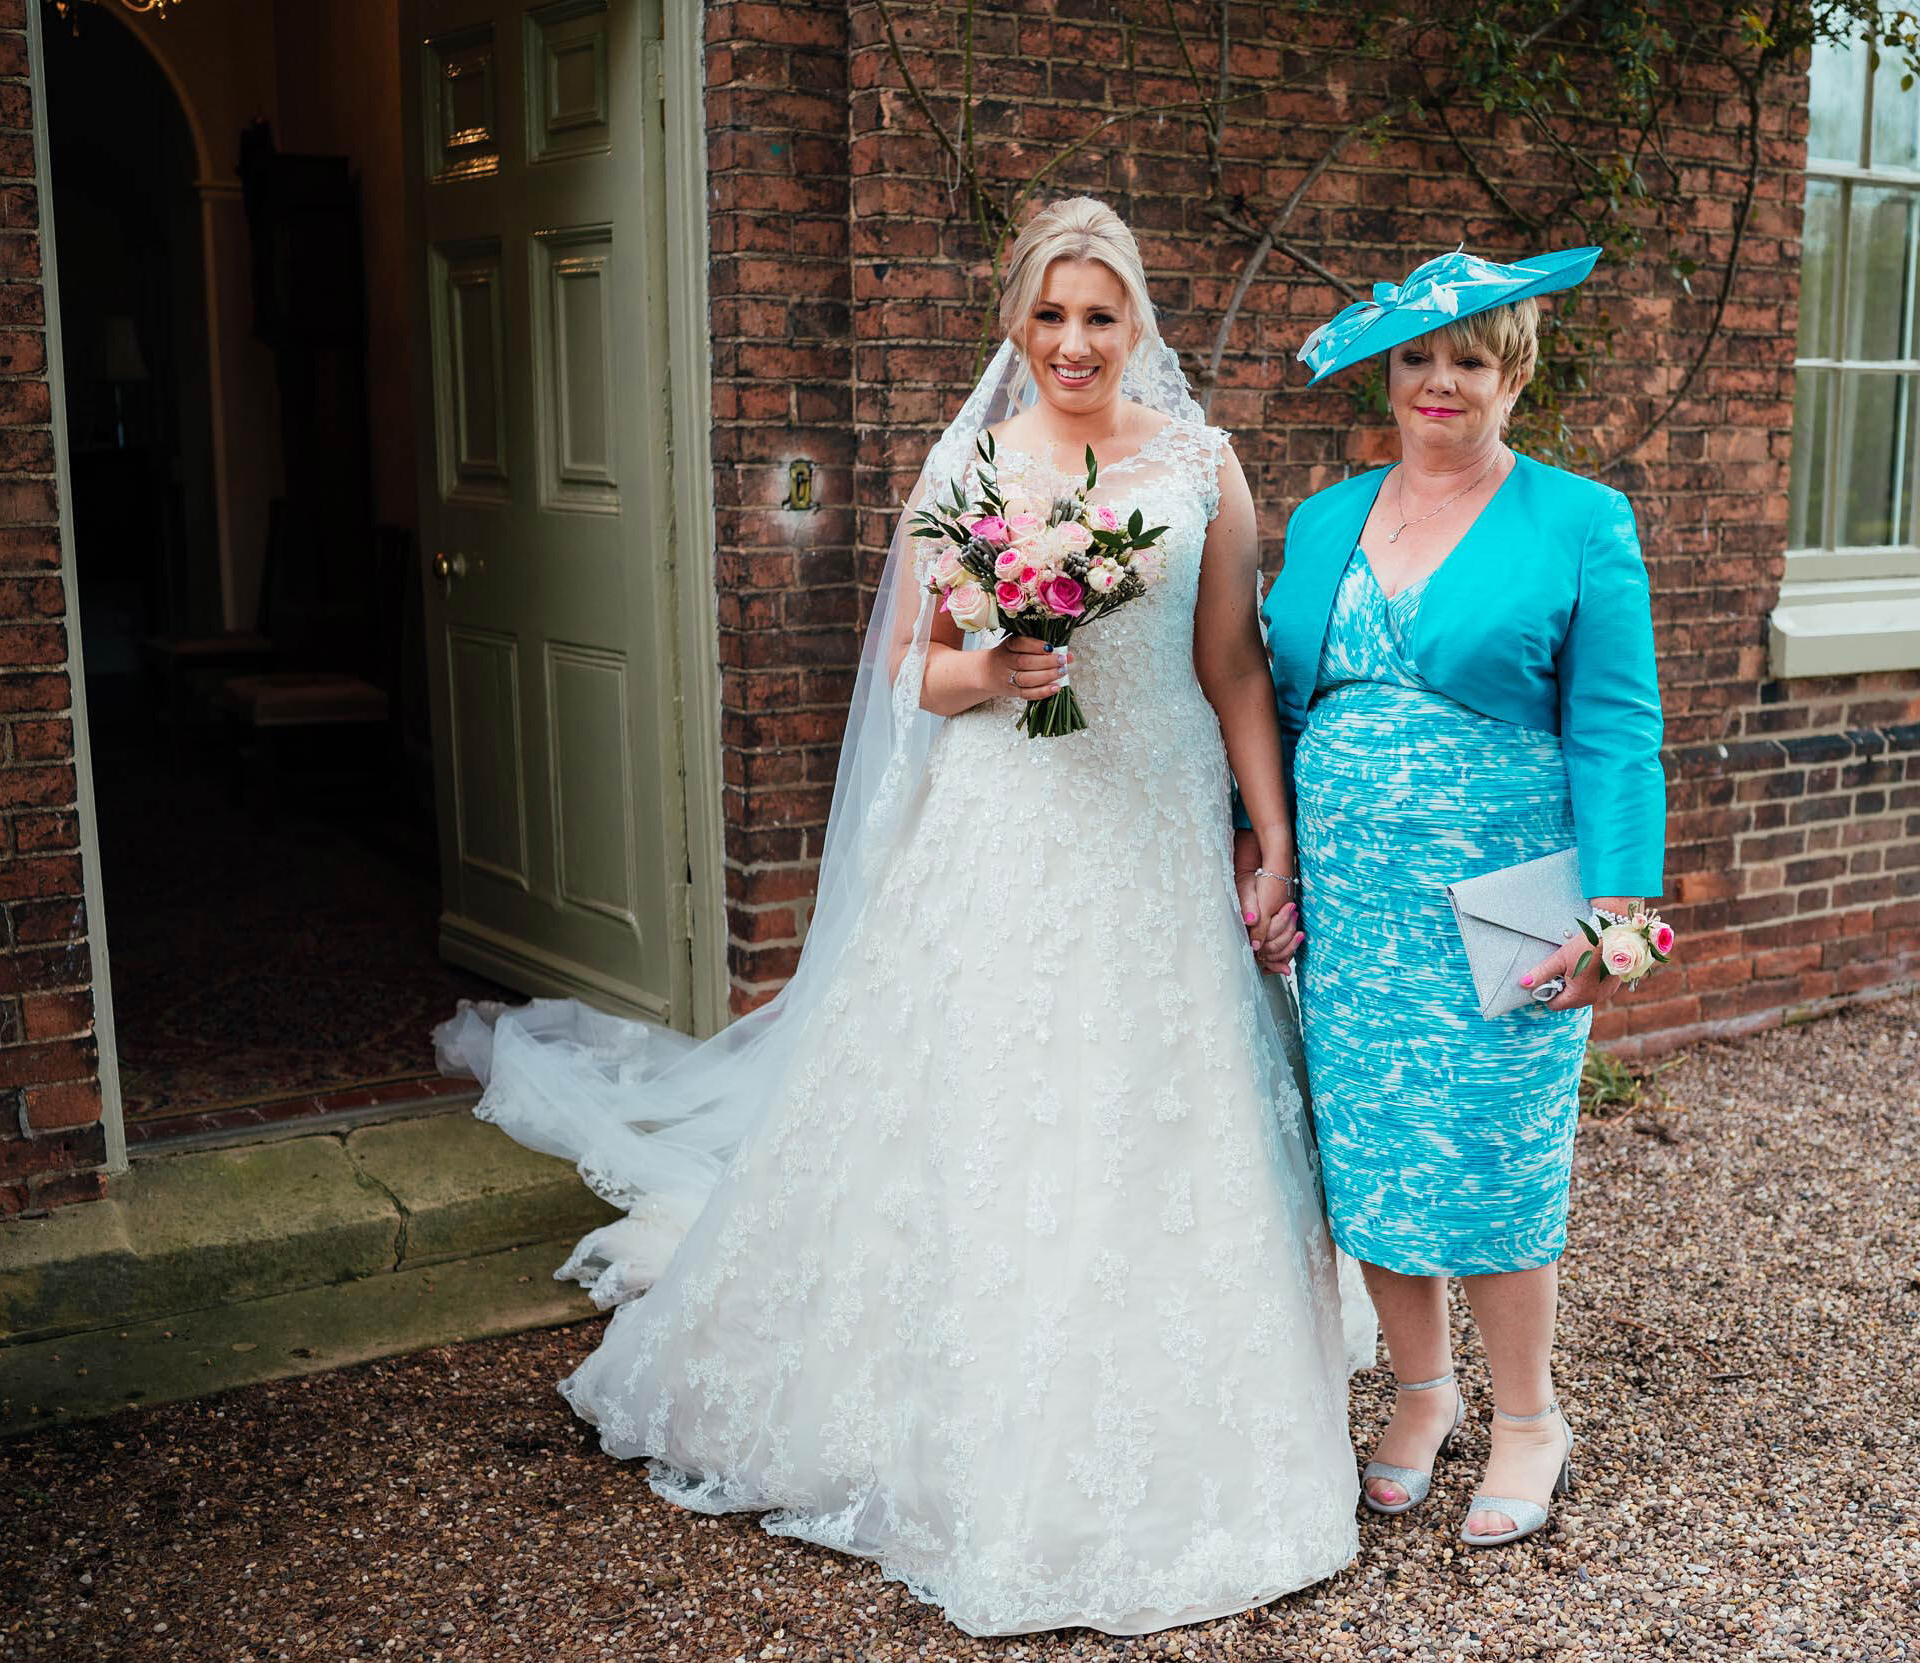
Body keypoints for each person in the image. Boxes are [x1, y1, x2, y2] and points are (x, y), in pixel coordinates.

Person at [437, 198, 1364, 1635]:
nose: (1074, 343)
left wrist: (1274, 840)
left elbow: (1235, 666)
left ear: (1137, 323)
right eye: (1050, 317)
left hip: (1154, 822)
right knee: (991, 1097)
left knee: (1154, 1093)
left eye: (1100, 317)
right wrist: (999, 674)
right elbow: (914, 679)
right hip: (1008, 820)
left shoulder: (1203, 463)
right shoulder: (973, 461)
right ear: (1016, 322)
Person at [1250, 247, 1666, 1547]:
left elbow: (1616, 733)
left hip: (1509, 895)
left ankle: (1531, 1417)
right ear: (1391, 371)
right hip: (1355, 910)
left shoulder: (1580, 521)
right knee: (1372, 1150)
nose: (1441, 380)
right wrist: (1265, 857)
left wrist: (1624, 917)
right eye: (1421, 357)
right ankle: (1422, 1395)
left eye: (1470, 359)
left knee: (1492, 1150)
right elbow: (1273, 703)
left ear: (1515, 374)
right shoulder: (1323, 522)